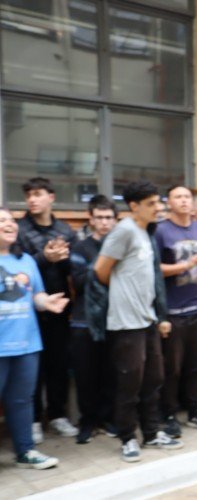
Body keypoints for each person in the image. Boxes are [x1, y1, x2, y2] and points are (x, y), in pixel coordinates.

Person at [94, 181, 182, 462]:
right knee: (130, 382)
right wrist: (122, 296)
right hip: (125, 323)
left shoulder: (145, 232)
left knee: (154, 378)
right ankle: (128, 438)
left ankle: (152, 432)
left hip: (147, 320)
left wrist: (158, 314)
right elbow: (101, 271)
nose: (159, 208)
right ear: (134, 206)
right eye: (152, 203)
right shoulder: (124, 231)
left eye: (159, 202)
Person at [0, 207, 66, 469]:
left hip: (27, 343)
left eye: (11, 221)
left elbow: (35, 295)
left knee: (22, 399)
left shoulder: (26, 260)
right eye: (1, 220)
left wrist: (46, 302)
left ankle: (25, 450)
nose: (9, 224)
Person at [16, 177, 78, 441]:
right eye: (29, 195)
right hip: (27, 310)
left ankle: (57, 415)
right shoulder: (17, 229)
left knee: (58, 364)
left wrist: (62, 259)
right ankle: (32, 420)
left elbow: (73, 268)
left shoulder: (65, 230)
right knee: (32, 368)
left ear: (51, 197)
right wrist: (45, 257)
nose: (32, 199)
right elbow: (19, 267)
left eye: (38, 194)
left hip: (60, 308)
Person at [154, 185, 197, 438]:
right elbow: (155, 268)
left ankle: (195, 410)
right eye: (177, 197)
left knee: (196, 364)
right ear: (169, 202)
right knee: (172, 367)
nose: (183, 201)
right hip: (173, 309)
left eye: (186, 197)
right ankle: (168, 414)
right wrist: (186, 264)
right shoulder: (161, 230)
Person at [69, 195, 117, 444]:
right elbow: (78, 282)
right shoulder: (80, 248)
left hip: (114, 319)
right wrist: (103, 266)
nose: (104, 222)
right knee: (86, 375)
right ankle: (88, 421)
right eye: (99, 217)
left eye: (109, 217)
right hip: (84, 320)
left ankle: (108, 418)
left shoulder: (120, 246)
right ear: (91, 219)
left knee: (111, 373)